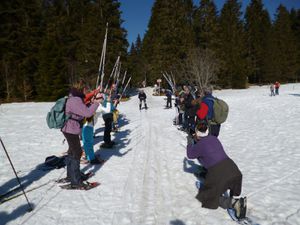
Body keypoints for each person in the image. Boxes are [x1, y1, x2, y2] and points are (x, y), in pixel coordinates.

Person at [186, 122, 246, 219]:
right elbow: (208, 151)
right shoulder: (214, 139)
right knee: (212, 162)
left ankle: (235, 203)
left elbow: (190, 155)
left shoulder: (200, 145)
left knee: (207, 196)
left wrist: (189, 142)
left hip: (219, 173)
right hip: (233, 169)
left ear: (197, 133)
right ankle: (232, 196)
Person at [61, 82, 102, 189]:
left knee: (72, 152)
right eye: (86, 90)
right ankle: (75, 181)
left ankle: (72, 175)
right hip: (70, 129)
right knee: (77, 152)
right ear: (82, 89)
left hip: (70, 128)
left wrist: (92, 102)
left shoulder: (75, 98)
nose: (86, 92)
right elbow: (87, 113)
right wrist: (96, 103)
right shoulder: (75, 100)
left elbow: (81, 110)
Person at [82, 92, 110, 164]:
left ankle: (88, 155)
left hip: (86, 126)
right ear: (95, 99)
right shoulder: (97, 106)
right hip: (88, 126)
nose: (102, 98)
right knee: (89, 143)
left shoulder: (92, 104)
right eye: (100, 97)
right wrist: (109, 101)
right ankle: (92, 159)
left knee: (87, 142)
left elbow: (101, 114)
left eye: (101, 97)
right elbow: (108, 111)